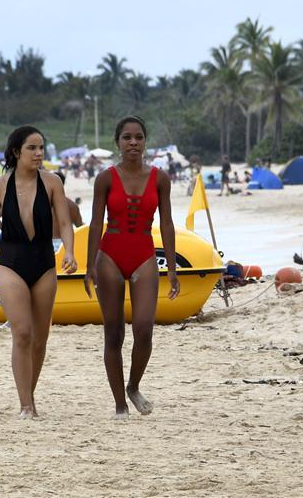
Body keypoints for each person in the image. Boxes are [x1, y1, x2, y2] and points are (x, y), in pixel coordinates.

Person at [0, 125, 77, 420]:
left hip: (44, 262)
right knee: (22, 332)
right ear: (17, 152)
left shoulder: (53, 182)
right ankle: (26, 406)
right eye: (32, 148)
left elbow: (66, 223)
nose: (39, 153)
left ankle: (28, 395)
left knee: (41, 338)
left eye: (41, 147)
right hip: (10, 263)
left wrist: (69, 251)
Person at [84, 116, 179, 419]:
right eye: (127, 138)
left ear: (145, 141)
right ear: (118, 143)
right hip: (109, 255)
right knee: (113, 333)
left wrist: (173, 269)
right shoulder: (106, 178)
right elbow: (96, 222)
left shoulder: (160, 178)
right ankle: (119, 405)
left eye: (138, 137)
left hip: (143, 254)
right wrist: (89, 266)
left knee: (144, 329)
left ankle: (133, 387)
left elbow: (166, 223)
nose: (133, 143)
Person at [52, 172, 84, 242]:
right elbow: (80, 227)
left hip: (46, 245)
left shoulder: (42, 203)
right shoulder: (73, 206)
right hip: (66, 244)